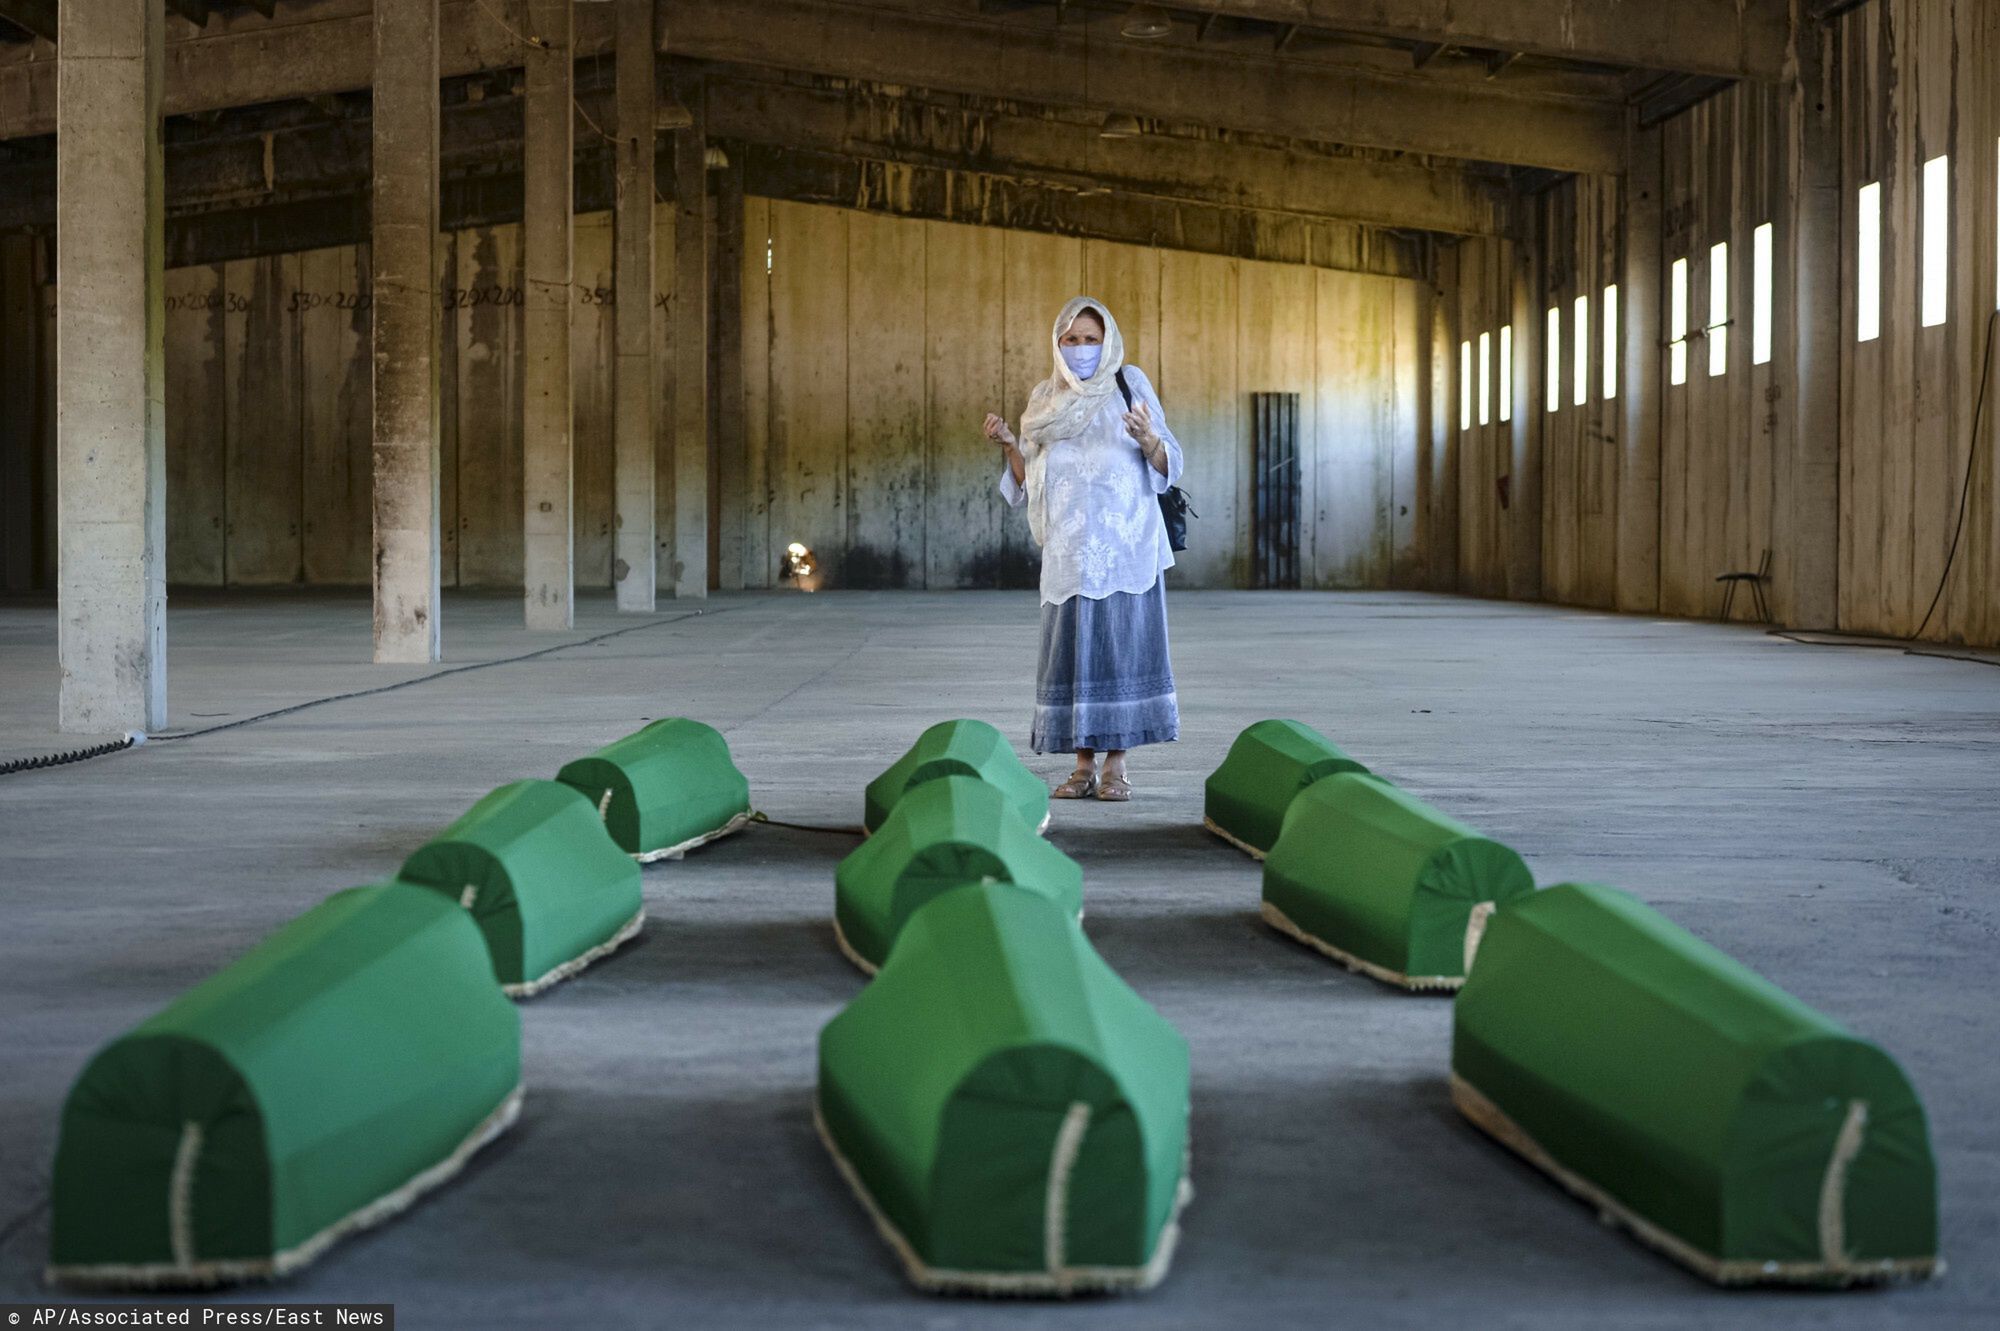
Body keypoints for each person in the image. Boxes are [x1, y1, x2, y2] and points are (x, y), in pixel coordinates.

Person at [983, 296, 1184, 802]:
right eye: (1071, 340)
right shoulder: (1045, 399)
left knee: (1121, 656)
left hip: (1126, 550)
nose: (1080, 349)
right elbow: (1032, 484)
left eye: (1090, 339)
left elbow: (1171, 461)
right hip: (1070, 555)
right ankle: (1081, 767)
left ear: (1108, 340)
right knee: (1076, 659)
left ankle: (1116, 767)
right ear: (1057, 343)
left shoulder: (1129, 384)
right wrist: (1011, 443)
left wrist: (1147, 439)